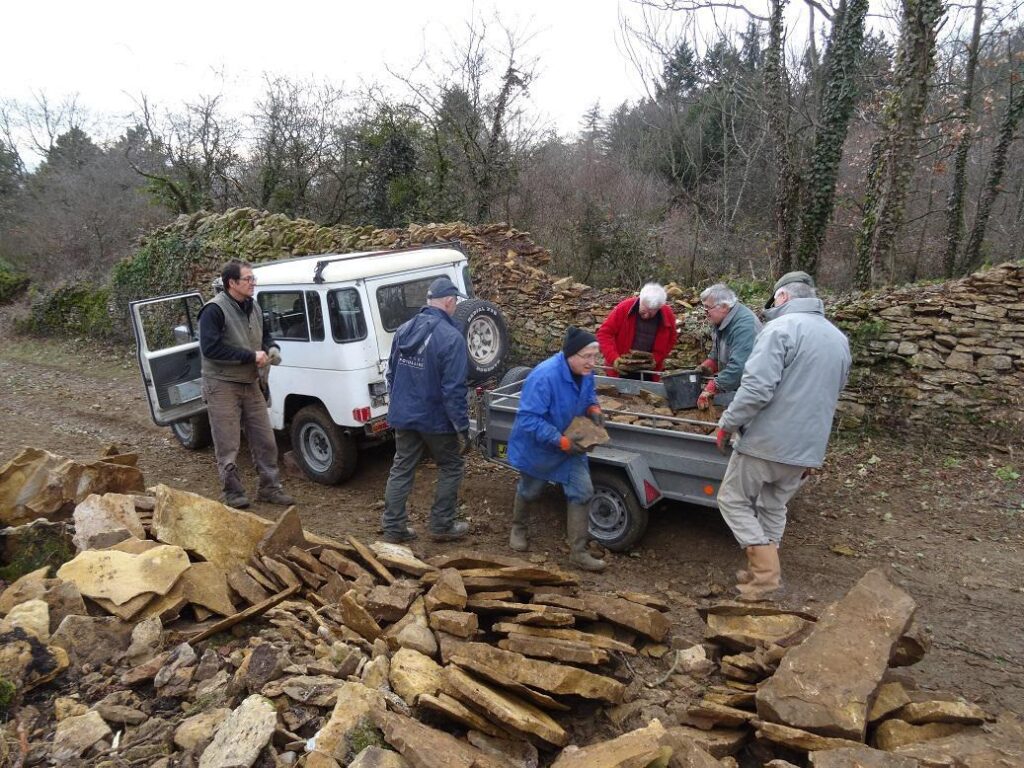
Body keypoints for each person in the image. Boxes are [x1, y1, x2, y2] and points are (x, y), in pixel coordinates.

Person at [714, 271, 851, 601]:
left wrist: (727, 423)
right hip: (808, 447)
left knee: (731, 500)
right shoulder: (838, 339)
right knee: (773, 505)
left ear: (783, 297)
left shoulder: (780, 329)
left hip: (767, 442)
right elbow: (834, 391)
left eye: (774, 299)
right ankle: (762, 574)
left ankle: (765, 576)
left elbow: (756, 389)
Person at [507, 327, 607, 572]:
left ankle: (578, 553)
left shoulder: (585, 372)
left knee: (583, 492)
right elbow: (529, 419)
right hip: (539, 448)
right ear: (571, 354)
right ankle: (518, 528)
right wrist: (559, 441)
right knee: (530, 491)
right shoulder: (545, 376)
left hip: (571, 445)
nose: (592, 362)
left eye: (595, 356)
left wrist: (593, 409)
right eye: (587, 356)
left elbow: (589, 395)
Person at [381, 276, 472, 544]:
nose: (455, 307)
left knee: (402, 467)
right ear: (449, 301)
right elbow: (454, 389)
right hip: (435, 419)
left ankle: (393, 527)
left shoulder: (403, 330)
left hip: (404, 415)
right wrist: (462, 427)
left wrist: (399, 404)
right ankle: (442, 525)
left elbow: (391, 373)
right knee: (451, 465)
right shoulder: (451, 338)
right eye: (455, 302)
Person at [198, 259, 295, 509]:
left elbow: (264, 335)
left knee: (265, 439)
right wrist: (250, 356)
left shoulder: (254, 306)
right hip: (221, 384)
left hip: (250, 381)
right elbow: (210, 349)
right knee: (228, 443)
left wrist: (272, 348)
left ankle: (270, 487)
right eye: (248, 279)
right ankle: (233, 492)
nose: (253, 283)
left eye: (253, 279)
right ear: (232, 283)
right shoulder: (214, 310)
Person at [696, 283, 762, 410]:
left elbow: (740, 368)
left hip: (754, 391)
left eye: (708, 308)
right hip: (740, 388)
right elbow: (717, 352)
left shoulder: (744, 326)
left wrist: (714, 386)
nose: (705, 313)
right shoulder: (721, 321)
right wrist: (706, 366)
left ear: (724, 306)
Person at [596, 282, 678, 378]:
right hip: (620, 368)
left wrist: (656, 358)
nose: (646, 316)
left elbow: (671, 339)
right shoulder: (624, 308)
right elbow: (604, 333)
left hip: (649, 371)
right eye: (644, 311)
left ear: (659, 308)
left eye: (651, 313)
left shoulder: (667, 314)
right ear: (640, 300)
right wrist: (613, 358)